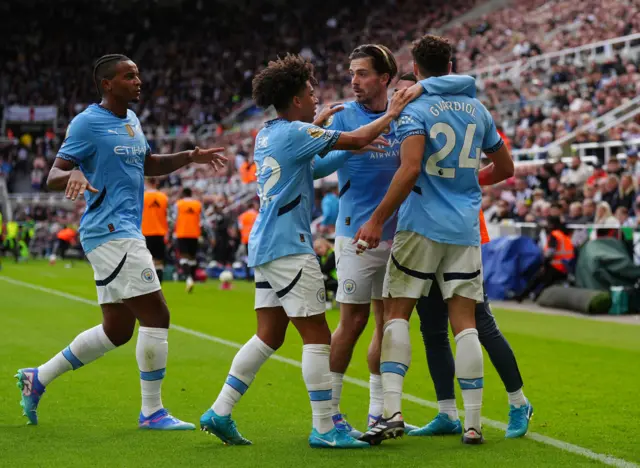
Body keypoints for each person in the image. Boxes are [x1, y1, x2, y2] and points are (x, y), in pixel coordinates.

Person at [199, 53, 412, 449]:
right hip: (290, 247)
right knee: (318, 334)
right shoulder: (298, 131)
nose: (317, 100)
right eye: (311, 93)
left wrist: (339, 143)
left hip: (264, 245)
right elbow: (361, 137)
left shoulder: (269, 132)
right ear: (296, 98)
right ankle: (324, 427)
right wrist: (392, 113)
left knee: (268, 335)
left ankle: (220, 411)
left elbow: (312, 168)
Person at [15, 54, 226, 430]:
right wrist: (74, 172)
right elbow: (53, 175)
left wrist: (190, 157)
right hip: (111, 230)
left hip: (123, 229)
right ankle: (152, 412)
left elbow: (149, 164)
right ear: (107, 84)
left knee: (117, 330)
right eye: (129, 76)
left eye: (138, 74)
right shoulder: (86, 122)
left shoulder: (131, 120)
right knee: (158, 314)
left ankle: (38, 377)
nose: (138, 80)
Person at [356, 35, 514, 445]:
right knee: (466, 326)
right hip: (463, 229)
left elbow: (409, 171)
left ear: (416, 66)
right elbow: (505, 166)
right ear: (450, 63)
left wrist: (376, 219)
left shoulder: (415, 106)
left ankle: (390, 412)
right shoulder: (478, 109)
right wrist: (467, 185)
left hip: (421, 224)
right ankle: (474, 423)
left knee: (397, 315)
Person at [397, 72, 533, 440]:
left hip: (457, 232)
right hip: (434, 230)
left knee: (479, 324)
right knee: (432, 329)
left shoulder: (425, 112)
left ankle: (519, 402)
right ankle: (446, 413)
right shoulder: (450, 114)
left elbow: (502, 167)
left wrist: (468, 181)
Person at [312, 44, 418, 437]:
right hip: (354, 234)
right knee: (351, 322)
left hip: (399, 236)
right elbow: (316, 167)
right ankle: (331, 413)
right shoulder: (344, 116)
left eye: (363, 73)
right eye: (352, 73)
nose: (354, 81)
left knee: (388, 324)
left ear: (385, 78)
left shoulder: (406, 113)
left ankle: (380, 412)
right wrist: (350, 143)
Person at [515, 215, 575, 302]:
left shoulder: (554, 235)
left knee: (536, 280)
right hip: (565, 267)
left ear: (551, 224)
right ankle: (532, 296)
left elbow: (550, 252)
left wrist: (544, 264)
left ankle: (523, 296)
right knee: (544, 282)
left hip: (555, 266)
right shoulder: (563, 235)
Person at [174, 187, 203, 293]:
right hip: (195, 234)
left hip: (182, 233)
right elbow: (203, 220)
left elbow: (174, 217)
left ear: (183, 194)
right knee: (192, 258)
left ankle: (189, 278)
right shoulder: (198, 204)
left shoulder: (178, 204)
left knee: (183, 257)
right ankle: (192, 278)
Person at [142, 178, 169, 283]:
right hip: (160, 232)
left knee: (146, 260)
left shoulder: (142, 196)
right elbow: (168, 216)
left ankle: (148, 282)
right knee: (159, 260)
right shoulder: (163, 197)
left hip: (145, 232)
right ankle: (159, 283)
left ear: (147, 183)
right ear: (156, 182)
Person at [313, 237, 338, 303]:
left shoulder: (333, 253)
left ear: (326, 245)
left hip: (337, 279)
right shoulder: (322, 256)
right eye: (316, 249)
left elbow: (325, 269)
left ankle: (327, 301)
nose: (318, 251)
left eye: (319, 247)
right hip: (331, 278)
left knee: (320, 280)